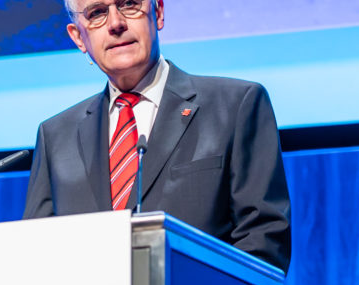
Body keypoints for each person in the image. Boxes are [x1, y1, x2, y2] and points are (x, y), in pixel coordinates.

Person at [22, 0, 291, 271]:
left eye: (129, 4)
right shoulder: (55, 138)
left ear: (158, 11)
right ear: (79, 37)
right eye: (97, 13)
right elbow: (35, 257)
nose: (115, 23)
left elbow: (263, 241)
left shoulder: (235, 106)